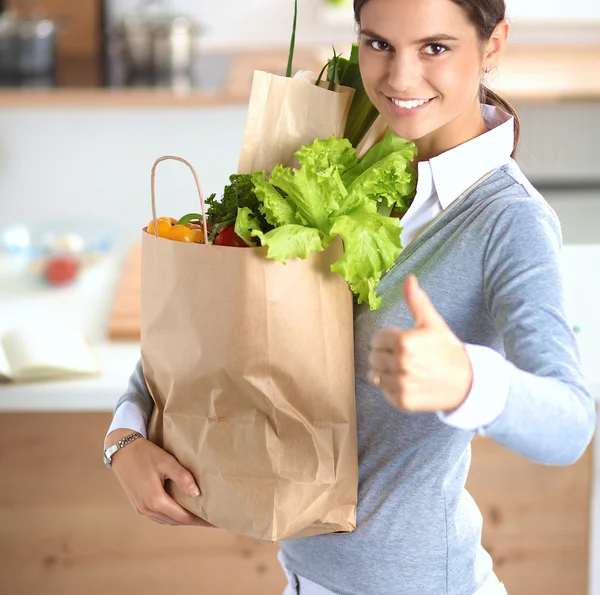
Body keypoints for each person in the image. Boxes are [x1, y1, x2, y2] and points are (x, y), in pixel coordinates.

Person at [104, 0, 597, 593]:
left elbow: (571, 423)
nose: (400, 78)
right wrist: (124, 435)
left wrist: (471, 382)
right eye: (378, 44)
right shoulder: (331, 150)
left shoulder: (506, 222)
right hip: (302, 579)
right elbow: (220, 307)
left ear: (492, 46)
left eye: (434, 48)